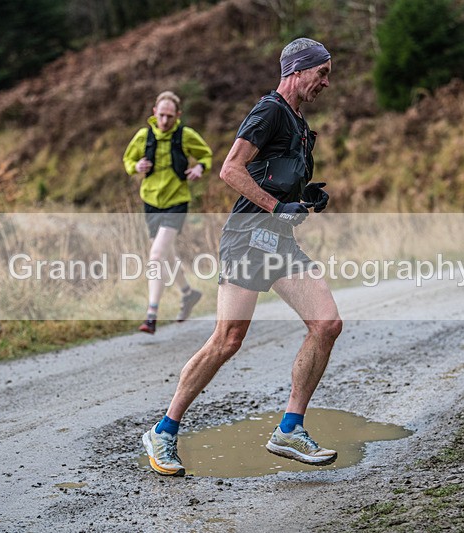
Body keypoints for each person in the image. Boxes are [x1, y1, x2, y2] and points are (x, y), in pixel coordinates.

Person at [142, 38, 342, 476]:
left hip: (279, 241)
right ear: (297, 70)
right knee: (227, 340)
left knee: (327, 323)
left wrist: (303, 196)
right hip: (248, 238)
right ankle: (164, 430)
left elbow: (269, 177)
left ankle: (290, 428)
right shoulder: (269, 110)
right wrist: (275, 206)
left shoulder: (299, 123)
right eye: (321, 73)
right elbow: (230, 168)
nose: (327, 82)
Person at [123, 91, 213, 334]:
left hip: (177, 201)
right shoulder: (143, 136)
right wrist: (136, 166)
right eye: (161, 115)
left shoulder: (185, 135)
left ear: (178, 116)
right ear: (154, 112)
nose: (164, 121)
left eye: (170, 117)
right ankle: (188, 293)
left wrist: (199, 168)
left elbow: (206, 155)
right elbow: (128, 160)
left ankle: (151, 314)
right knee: (166, 255)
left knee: (156, 255)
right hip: (151, 201)